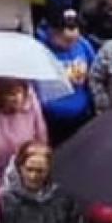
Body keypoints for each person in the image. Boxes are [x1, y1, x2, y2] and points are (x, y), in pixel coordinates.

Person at [38, 9, 97, 144]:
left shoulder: (83, 44)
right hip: (51, 118)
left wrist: (86, 75)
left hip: (81, 115)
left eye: (74, 29)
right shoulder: (40, 49)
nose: (70, 40)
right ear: (52, 31)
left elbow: (95, 71)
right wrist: (62, 77)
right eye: (65, 38)